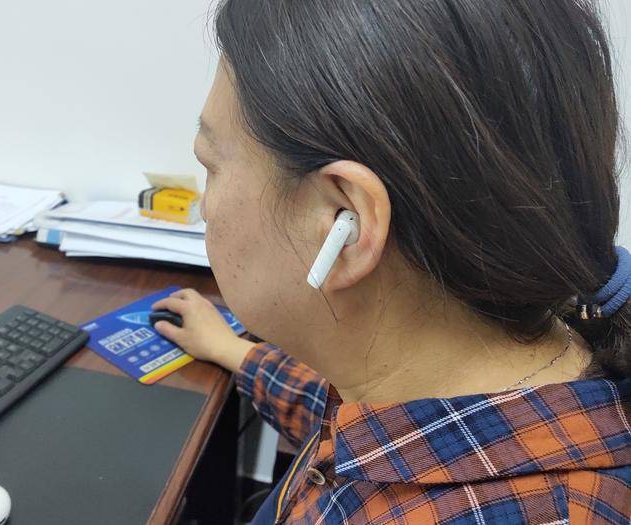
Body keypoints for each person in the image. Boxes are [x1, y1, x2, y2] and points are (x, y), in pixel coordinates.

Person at [154, 0, 631, 523]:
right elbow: (386, 438)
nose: (205, 206)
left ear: (344, 224)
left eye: (211, 165)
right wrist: (234, 352)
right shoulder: (491, 376)